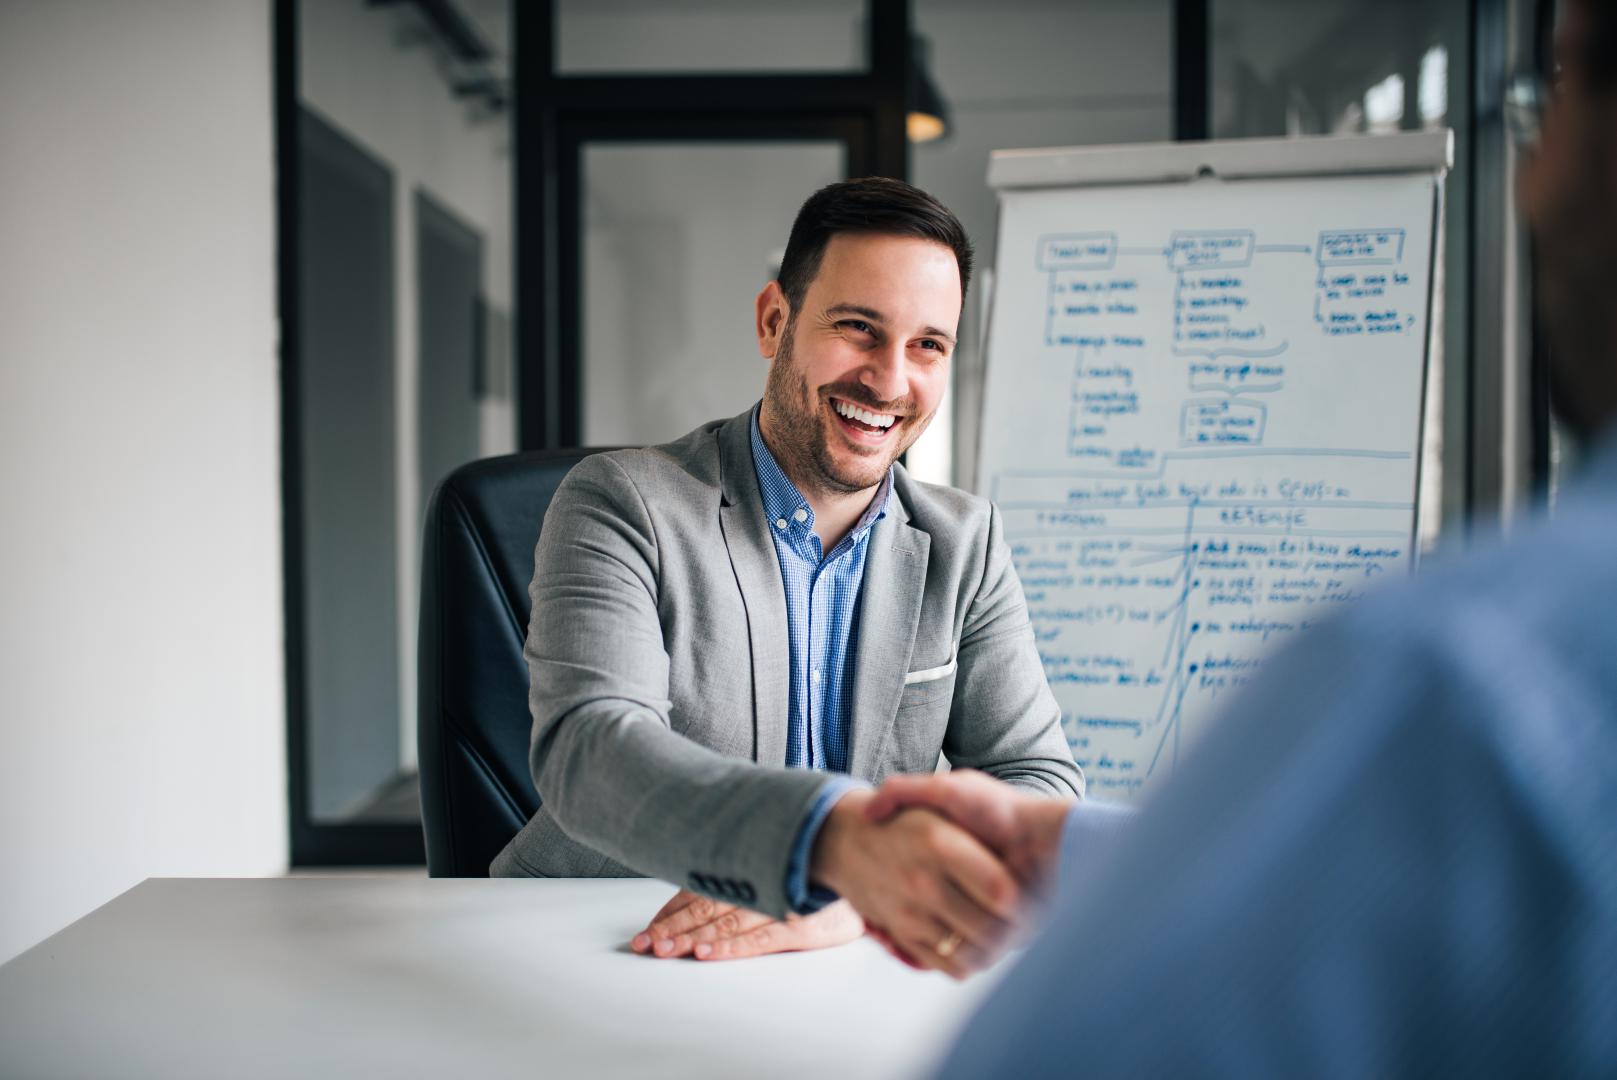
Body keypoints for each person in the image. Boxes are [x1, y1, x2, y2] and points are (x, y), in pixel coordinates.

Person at [858, 3, 1617, 1071]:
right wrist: (1073, 846)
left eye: (1561, 89)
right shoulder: (639, 506)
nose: (1529, 174)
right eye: (858, 329)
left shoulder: (1460, 682)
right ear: (771, 323)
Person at [490, 177, 1083, 975]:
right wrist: (830, 850)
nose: (888, 381)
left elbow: (1039, 784)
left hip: (841, 966)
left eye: (927, 346)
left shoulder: (964, 543)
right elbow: (591, 755)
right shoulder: (621, 501)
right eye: (858, 328)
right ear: (775, 321)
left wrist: (857, 894)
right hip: (605, 945)